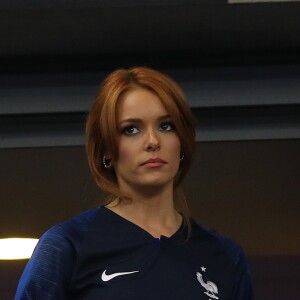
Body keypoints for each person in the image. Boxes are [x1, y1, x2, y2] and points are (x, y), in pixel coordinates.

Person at [15, 67, 253, 299]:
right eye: (131, 129)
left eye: (166, 126)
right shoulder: (67, 245)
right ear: (106, 149)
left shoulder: (225, 255)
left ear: (182, 142)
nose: (152, 141)